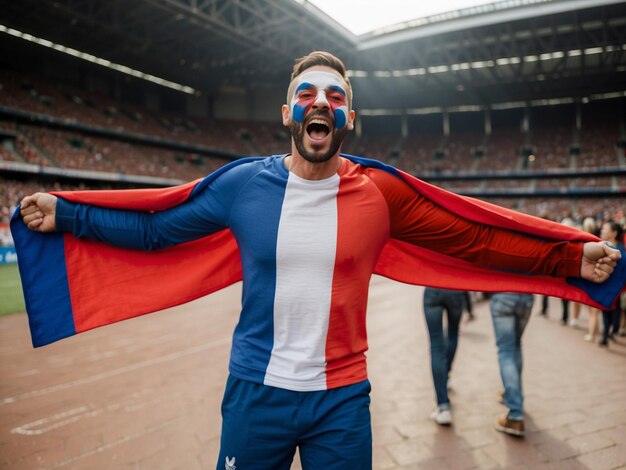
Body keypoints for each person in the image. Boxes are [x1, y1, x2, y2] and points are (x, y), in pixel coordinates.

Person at [16, 51, 622, 470]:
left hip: (342, 401)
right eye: (306, 94)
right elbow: (156, 231)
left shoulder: (380, 196)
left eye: (335, 96)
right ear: (288, 114)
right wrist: (69, 214)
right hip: (256, 392)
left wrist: (569, 258)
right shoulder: (242, 187)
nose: (321, 103)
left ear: (347, 118)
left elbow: (476, 240)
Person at [490, 292, 534, 437]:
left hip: (503, 293)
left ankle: (515, 414)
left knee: (507, 350)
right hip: (526, 294)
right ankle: (515, 395)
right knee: (515, 345)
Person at [423, 287, 466, 424]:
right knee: (453, 334)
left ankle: (443, 407)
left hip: (432, 286)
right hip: (456, 287)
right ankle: (445, 377)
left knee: (436, 346)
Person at [598, 220, 625, 347]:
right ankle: (606, 335)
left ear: (614, 233)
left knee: (614, 311)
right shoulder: (602, 245)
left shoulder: (621, 250)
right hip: (606, 286)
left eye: (605, 229)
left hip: (615, 288)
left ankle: (612, 331)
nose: (602, 231)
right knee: (605, 311)